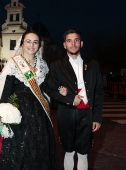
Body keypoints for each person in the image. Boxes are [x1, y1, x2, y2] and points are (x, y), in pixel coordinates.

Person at [0, 30, 59, 170]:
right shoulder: (14, 63)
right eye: (28, 41)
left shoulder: (43, 65)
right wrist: (4, 112)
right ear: (22, 43)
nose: (32, 45)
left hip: (39, 115)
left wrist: (60, 91)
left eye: (35, 42)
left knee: (39, 147)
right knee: (19, 149)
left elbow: (46, 89)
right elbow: (5, 92)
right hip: (18, 113)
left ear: (39, 45)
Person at [46, 28, 103, 170]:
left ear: (81, 43)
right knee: (69, 151)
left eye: (76, 40)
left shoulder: (93, 64)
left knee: (84, 152)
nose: (73, 44)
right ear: (64, 45)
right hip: (66, 113)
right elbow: (50, 90)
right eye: (69, 41)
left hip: (87, 114)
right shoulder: (56, 65)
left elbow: (98, 92)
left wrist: (97, 117)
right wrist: (70, 99)